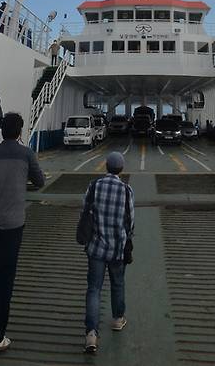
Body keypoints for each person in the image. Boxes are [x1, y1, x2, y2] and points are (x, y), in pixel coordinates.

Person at [0, 112, 45, 352]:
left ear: (1, 131)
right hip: (13, 223)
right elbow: (40, 181)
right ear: (20, 131)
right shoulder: (26, 153)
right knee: (5, 276)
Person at [83, 151, 134, 355]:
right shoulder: (126, 190)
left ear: (105, 166)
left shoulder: (94, 187)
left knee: (94, 289)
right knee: (117, 283)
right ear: (121, 169)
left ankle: (91, 334)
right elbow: (130, 222)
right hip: (117, 247)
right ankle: (118, 319)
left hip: (95, 246)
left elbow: (85, 212)